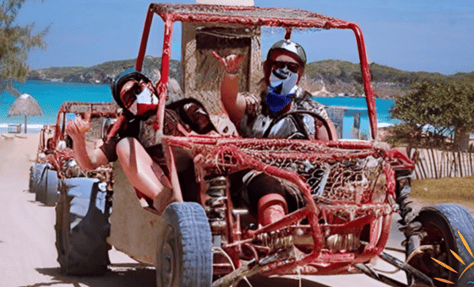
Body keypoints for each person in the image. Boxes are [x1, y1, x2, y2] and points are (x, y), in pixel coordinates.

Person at [213, 38, 337, 227]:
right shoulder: (254, 105)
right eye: (278, 65)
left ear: (300, 73)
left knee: (343, 189)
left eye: (292, 67)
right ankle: (277, 240)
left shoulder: (313, 110)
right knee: (269, 188)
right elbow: (231, 101)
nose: (284, 71)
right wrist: (231, 73)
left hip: (303, 182)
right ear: (267, 67)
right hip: (260, 179)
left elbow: (332, 148)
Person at [66, 69, 212, 212]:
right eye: (128, 98)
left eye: (137, 88)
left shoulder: (183, 108)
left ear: (148, 84)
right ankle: (168, 203)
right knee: (124, 145)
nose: (136, 96)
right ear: (126, 107)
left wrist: (200, 151)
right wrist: (78, 138)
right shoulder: (129, 128)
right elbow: (90, 163)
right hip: (164, 185)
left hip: (196, 175)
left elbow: (212, 135)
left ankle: (212, 208)